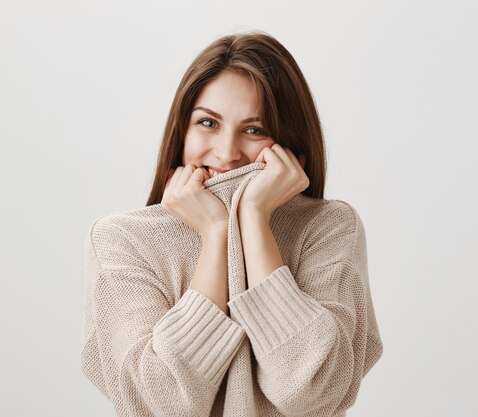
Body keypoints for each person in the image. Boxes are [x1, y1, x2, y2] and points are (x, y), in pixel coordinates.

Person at [80, 30, 383, 417]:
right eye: (208, 123)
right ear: (181, 131)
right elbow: (158, 405)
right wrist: (215, 234)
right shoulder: (123, 239)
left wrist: (254, 217)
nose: (226, 153)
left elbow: (311, 392)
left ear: (291, 145)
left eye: (255, 130)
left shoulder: (328, 226)